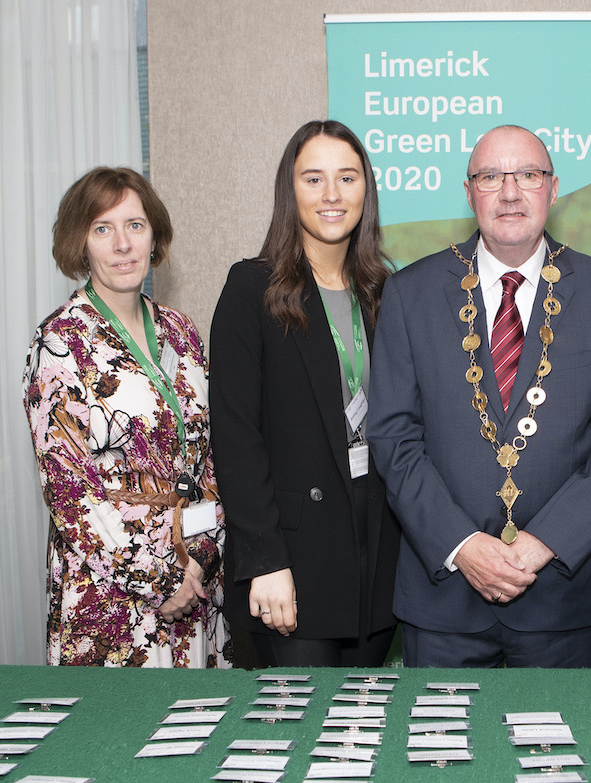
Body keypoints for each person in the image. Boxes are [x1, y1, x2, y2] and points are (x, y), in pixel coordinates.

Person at [368, 124, 591, 668]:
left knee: (566, 752)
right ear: (469, 190)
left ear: (553, 187)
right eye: (491, 176)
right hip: (445, 600)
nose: (510, 191)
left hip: (565, 601)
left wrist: (541, 543)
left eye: (528, 174)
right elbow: (394, 438)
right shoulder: (410, 294)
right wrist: (463, 546)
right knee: (441, 754)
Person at [209, 120, 400, 667]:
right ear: (289, 191)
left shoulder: (386, 291)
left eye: (347, 177)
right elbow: (236, 435)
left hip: (375, 554)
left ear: (367, 189)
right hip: (290, 560)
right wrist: (264, 560)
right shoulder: (254, 288)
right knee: (301, 738)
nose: (333, 194)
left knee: (362, 734)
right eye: (313, 179)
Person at [23, 167, 229, 667]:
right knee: (115, 740)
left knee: (198, 732)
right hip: (112, 596)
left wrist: (201, 559)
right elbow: (70, 492)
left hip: (196, 583)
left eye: (135, 226)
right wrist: (159, 580)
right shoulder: (60, 343)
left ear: (154, 236)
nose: (122, 244)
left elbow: (212, 454)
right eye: (103, 228)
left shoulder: (180, 330)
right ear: (81, 243)